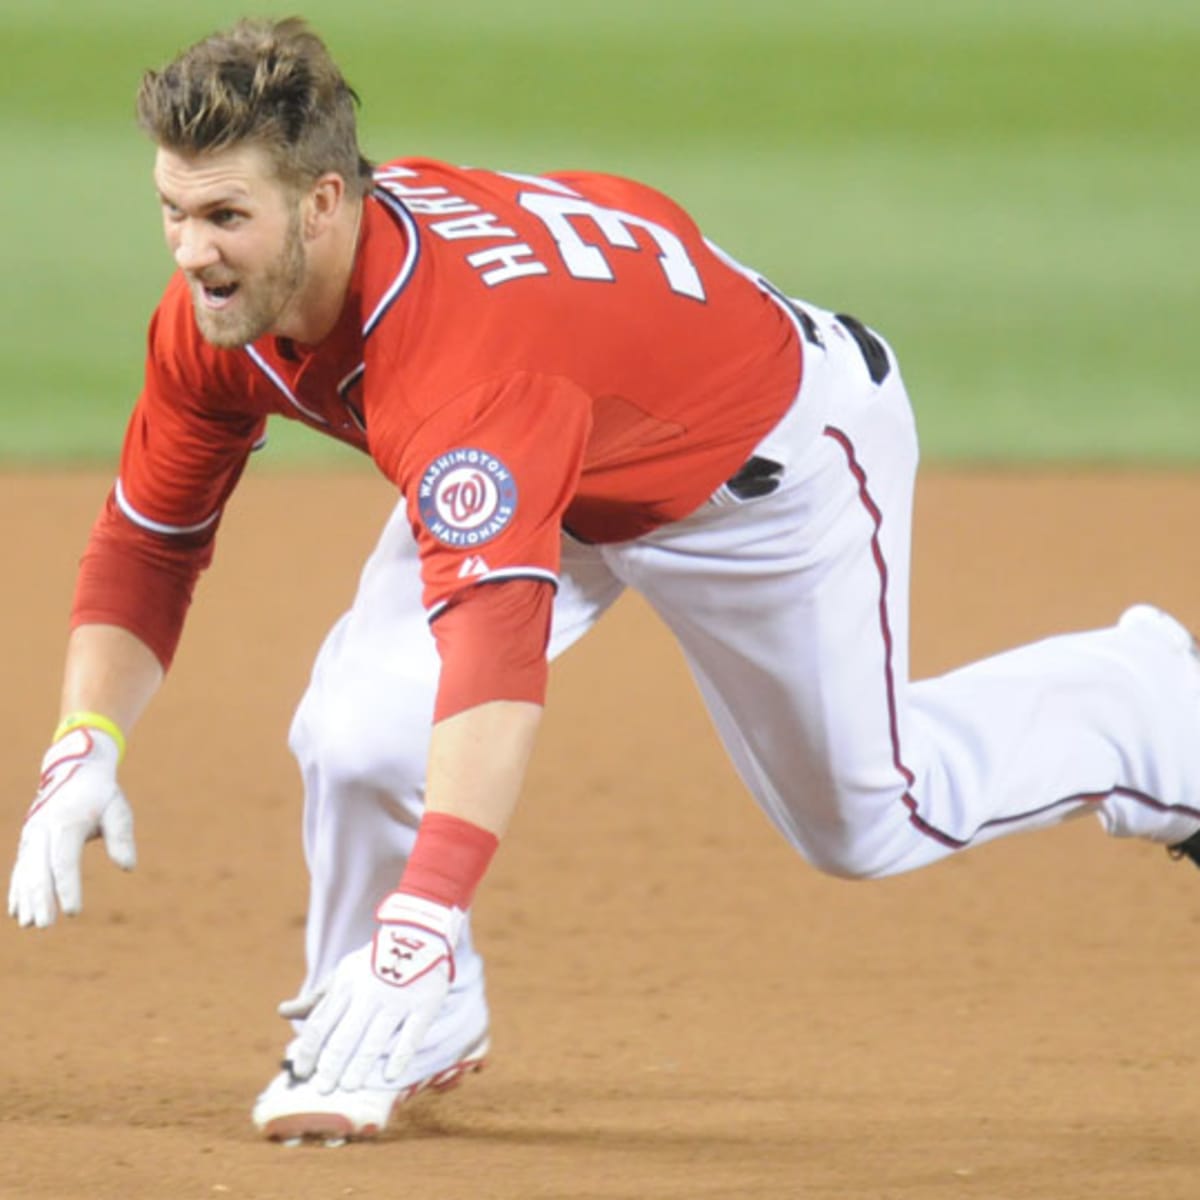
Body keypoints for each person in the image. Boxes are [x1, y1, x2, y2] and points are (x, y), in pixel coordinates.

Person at [8, 16, 1200, 1145]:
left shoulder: (460, 373)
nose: (190, 251)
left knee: (868, 817)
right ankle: (395, 1021)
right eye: (172, 210)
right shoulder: (228, 312)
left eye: (224, 215)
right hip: (567, 433)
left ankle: (1147, 709)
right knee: (358, 731)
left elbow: (493, 658)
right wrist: (86, 734)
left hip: (765, 472)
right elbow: (151, 538)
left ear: (326, 202)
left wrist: (424, 910)